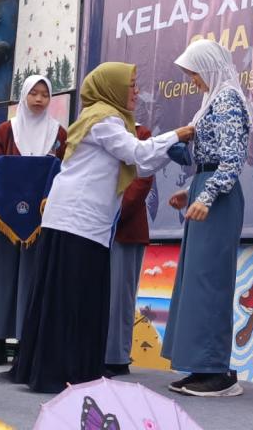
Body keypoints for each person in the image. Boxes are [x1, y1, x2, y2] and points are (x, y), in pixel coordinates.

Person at [11, 62, 194, 393]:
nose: (136, 92)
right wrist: (176, 135)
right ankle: (59, 371)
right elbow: (136, 152)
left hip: (84, 223)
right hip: (75, 221)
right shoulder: (104, 118)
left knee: (79, 296)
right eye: (131, 85)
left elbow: (136, 166)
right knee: (71, 297)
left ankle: (73, 368)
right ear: (112, 87)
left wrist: (167, 153)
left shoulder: (107, 118)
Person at [162, 39, 251, 398]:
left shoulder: (227, 98)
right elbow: (207, 155)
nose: (192, 81)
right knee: (196, 282)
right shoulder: (212, 100)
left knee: (210, 281)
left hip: (220, 198)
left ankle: (216, 372)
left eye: (194, 73)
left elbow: (232, 158)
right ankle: (201, 366)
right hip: (207, 188)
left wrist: (208, 194)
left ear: (209, 68)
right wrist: (191, 188)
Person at [0, 75, 67, 365]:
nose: (40, 99)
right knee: (2, 277)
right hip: (5, 217)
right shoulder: (7, 129)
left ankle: (25, 343)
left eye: (45, 94)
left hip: (41, 221)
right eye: (34, 93)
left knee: (32, 279)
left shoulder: (59, 134)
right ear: (24, 96)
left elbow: (64, 171)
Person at [104, 123, 154, 377]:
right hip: (93, 225)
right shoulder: (97, 127)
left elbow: (142, 178)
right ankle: (94, 352)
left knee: (119, 296)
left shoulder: (140, 134)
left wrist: (111, 211)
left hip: (124, 226)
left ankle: (116, 357)